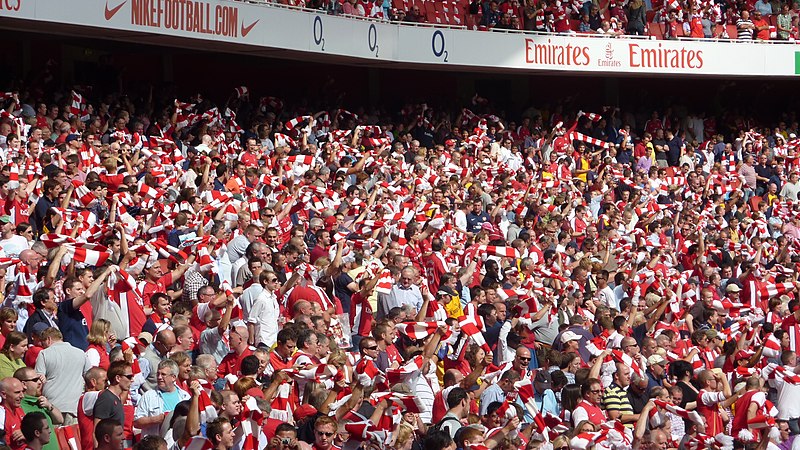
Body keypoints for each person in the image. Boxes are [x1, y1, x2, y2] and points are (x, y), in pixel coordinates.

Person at [34, 328, 90, 425]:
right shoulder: (81, 353)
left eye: (43, 344)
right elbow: (90, 376)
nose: (43, 347)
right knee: (72, 439)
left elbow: (37, 379)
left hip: (52, 407)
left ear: (48, 339)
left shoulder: (44, 353)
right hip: (74, 407)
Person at [133, 359, 190, 437]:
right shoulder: (149, 396)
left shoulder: (185, 397)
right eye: (158, 374)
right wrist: (155, 419)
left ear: (173, 377)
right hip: (155, 444)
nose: (159, 377)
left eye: (163, 374)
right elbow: (136, 423)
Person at [14, 367, 62, 450]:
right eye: (35, 380)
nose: (40, 382)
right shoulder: (18, 405)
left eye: (39, 378)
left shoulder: (42, 402)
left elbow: (60, 420)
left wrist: (49, 406)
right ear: (23, 384)